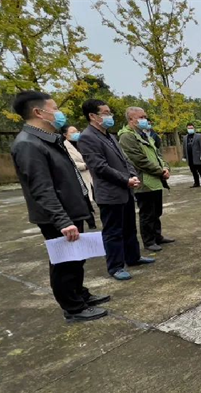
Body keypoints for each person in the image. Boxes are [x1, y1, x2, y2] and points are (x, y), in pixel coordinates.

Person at [10, 91, 110, 321]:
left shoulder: (49, 140)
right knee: (64, 262)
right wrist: (63, 221)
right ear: (38, 112)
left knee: (76, 258)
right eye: (54, 108)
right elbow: (41, 188)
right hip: (57, 216)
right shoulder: (28, 144)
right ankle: (73, 308)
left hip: (71, 209)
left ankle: (80, 294)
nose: (59, 113)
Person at [80, 99, 155, 281]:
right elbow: (99, 167)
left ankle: (133, 257)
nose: (109, 116)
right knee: (113, 231)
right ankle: (115, 266)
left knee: (129, 227)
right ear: (92, 116)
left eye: (109, 113)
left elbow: (125, 159)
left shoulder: (110, 136)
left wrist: (132, 175)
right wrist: (125, 179)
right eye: (105, 113)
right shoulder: (87, 137)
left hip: (125, 190)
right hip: (110, 193)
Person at [118, 107, 174, 253]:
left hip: (155, 180)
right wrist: (160, 171)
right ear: (131, 119)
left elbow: (157, 155)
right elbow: (139, 160)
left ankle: (157, 236)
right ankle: (149, 241)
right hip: (144, 182)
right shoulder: (127, 137)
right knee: (147, 213)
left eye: (145, 117)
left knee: (157, 211)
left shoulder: (144, 135)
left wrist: (165, 167)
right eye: (141, 117)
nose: (145, 120)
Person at [63, 126, 97, 229]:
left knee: (98, 197)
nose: (76, 133)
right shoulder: (64, 146)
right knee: (85, 201)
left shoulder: (83, 143)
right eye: (72, 132)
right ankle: (91, 223)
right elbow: (70, 163)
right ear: (65, 135)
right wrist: (86, 165)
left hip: (92, 176)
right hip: (80, 177)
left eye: (77, 131)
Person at [183, 123, 201, 188]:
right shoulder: (185, 137)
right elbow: (184, 147)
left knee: (200, 170)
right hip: (189, 157)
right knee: (193, 171)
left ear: (194, 128)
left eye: (191, 128)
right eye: (189, 128)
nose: (190, 129)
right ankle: (196, 183)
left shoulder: (198, 136)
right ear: (187, 129)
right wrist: (184, 156)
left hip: (197, 157)